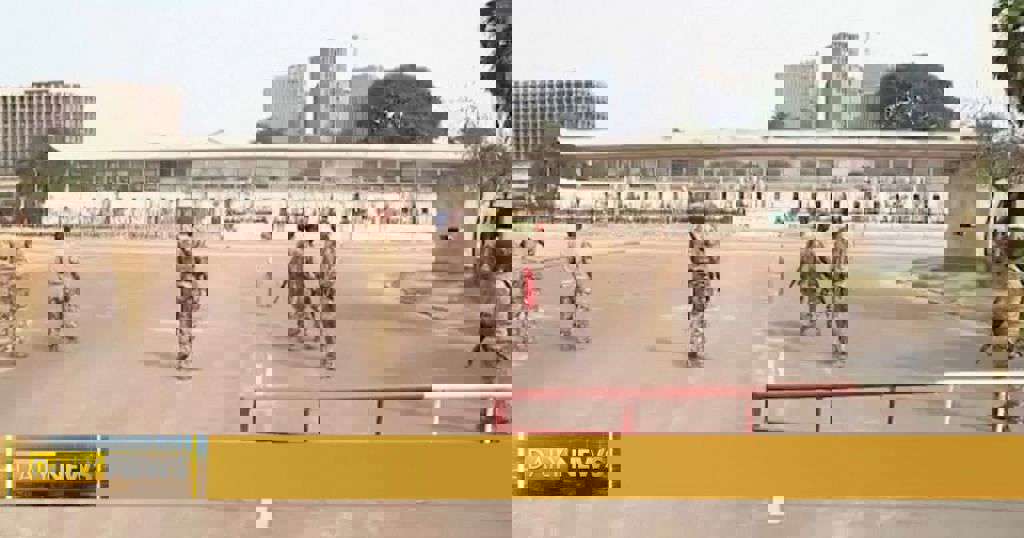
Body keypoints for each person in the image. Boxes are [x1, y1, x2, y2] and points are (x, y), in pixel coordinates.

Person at [686, 219, 720, 366]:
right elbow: (697, 260)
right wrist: (712, 258)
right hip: (699, 281)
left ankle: (697, 351)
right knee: (697, 316)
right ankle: (694, 354)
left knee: (700, 315)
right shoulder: (695, 242)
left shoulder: (698, 243)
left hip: (702, 280)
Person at [175, 229, 207, 370]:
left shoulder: (188, 255)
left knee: (186, 322)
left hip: (189, 290)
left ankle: (185, 352)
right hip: (189, 289)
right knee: (187, 322)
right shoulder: (186, 255)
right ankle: (185, 352)